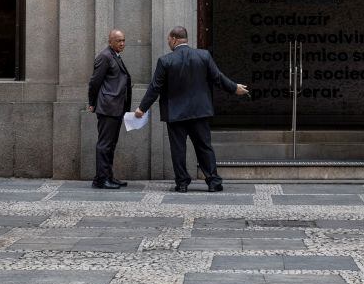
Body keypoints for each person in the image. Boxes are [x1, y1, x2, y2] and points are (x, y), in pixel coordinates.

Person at [134, 26, 249, 192]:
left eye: (168, 40)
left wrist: (142, 108)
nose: (168, 43)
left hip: (175, 114)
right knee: (204, 147)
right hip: (199, 112)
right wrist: (233, 88)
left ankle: (182, 183)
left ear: (174, 39)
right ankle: (213, 182)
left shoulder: (165, 61)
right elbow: (217, 77)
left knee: (178, 149)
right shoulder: (203, 56)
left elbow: (155, 88)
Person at [88, 28, 132, 189]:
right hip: (108, 107)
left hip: (116, 108)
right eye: (118, 41)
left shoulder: (115, 56)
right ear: (110, 41)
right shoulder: (104, 57)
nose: (122, 43)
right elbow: (94, 82)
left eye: (123, 40)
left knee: (111, 144)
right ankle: (101, 180)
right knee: (105, 144)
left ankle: (107, 176)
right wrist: (92, 102)